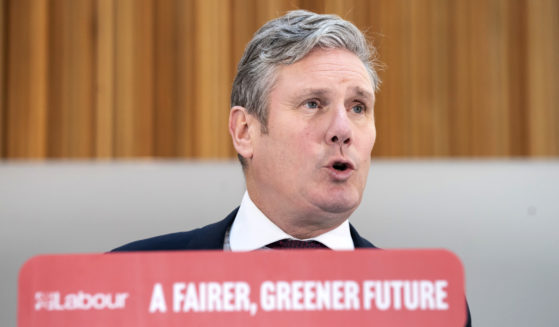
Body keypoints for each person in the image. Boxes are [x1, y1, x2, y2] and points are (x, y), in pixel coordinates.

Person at [112, 10, 471, 326]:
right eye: (313, 103)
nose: (343, 130)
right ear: (245, 131)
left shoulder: (426, 308)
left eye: (358, 107)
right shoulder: (125, 283)